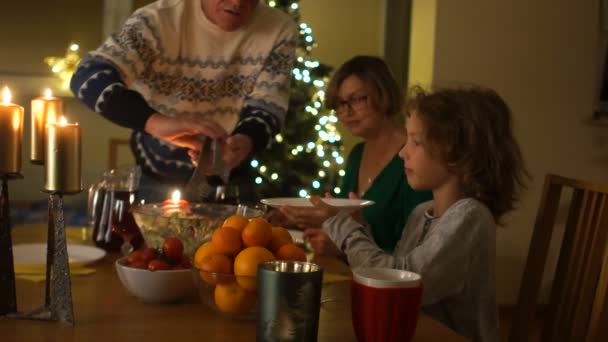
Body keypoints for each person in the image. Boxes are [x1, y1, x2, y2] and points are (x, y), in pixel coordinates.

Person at [316, 85, 529, 341]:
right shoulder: (422, 213)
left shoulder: (469, 217)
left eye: (415, 142)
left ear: (458, 152)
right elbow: (396, 267)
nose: (402, 152)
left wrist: (339, 224)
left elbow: (399, 284)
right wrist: (359, 227)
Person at [70, 0, 298, 202]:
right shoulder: (157, 20)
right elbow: (87, 77)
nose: (238, 2)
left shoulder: (280, 29)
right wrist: (157, 123)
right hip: (157, 175)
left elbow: (269, 103)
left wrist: (245, 140)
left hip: (232, 178)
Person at [274, 56, 432, 254]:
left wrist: (346, 247)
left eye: (357, 99)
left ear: (383, 94)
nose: (345, 112)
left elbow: (417, 252)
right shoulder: (357, 154)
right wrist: (299, 217)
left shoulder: (413, 157)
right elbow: (345, 220)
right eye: (339, 104)